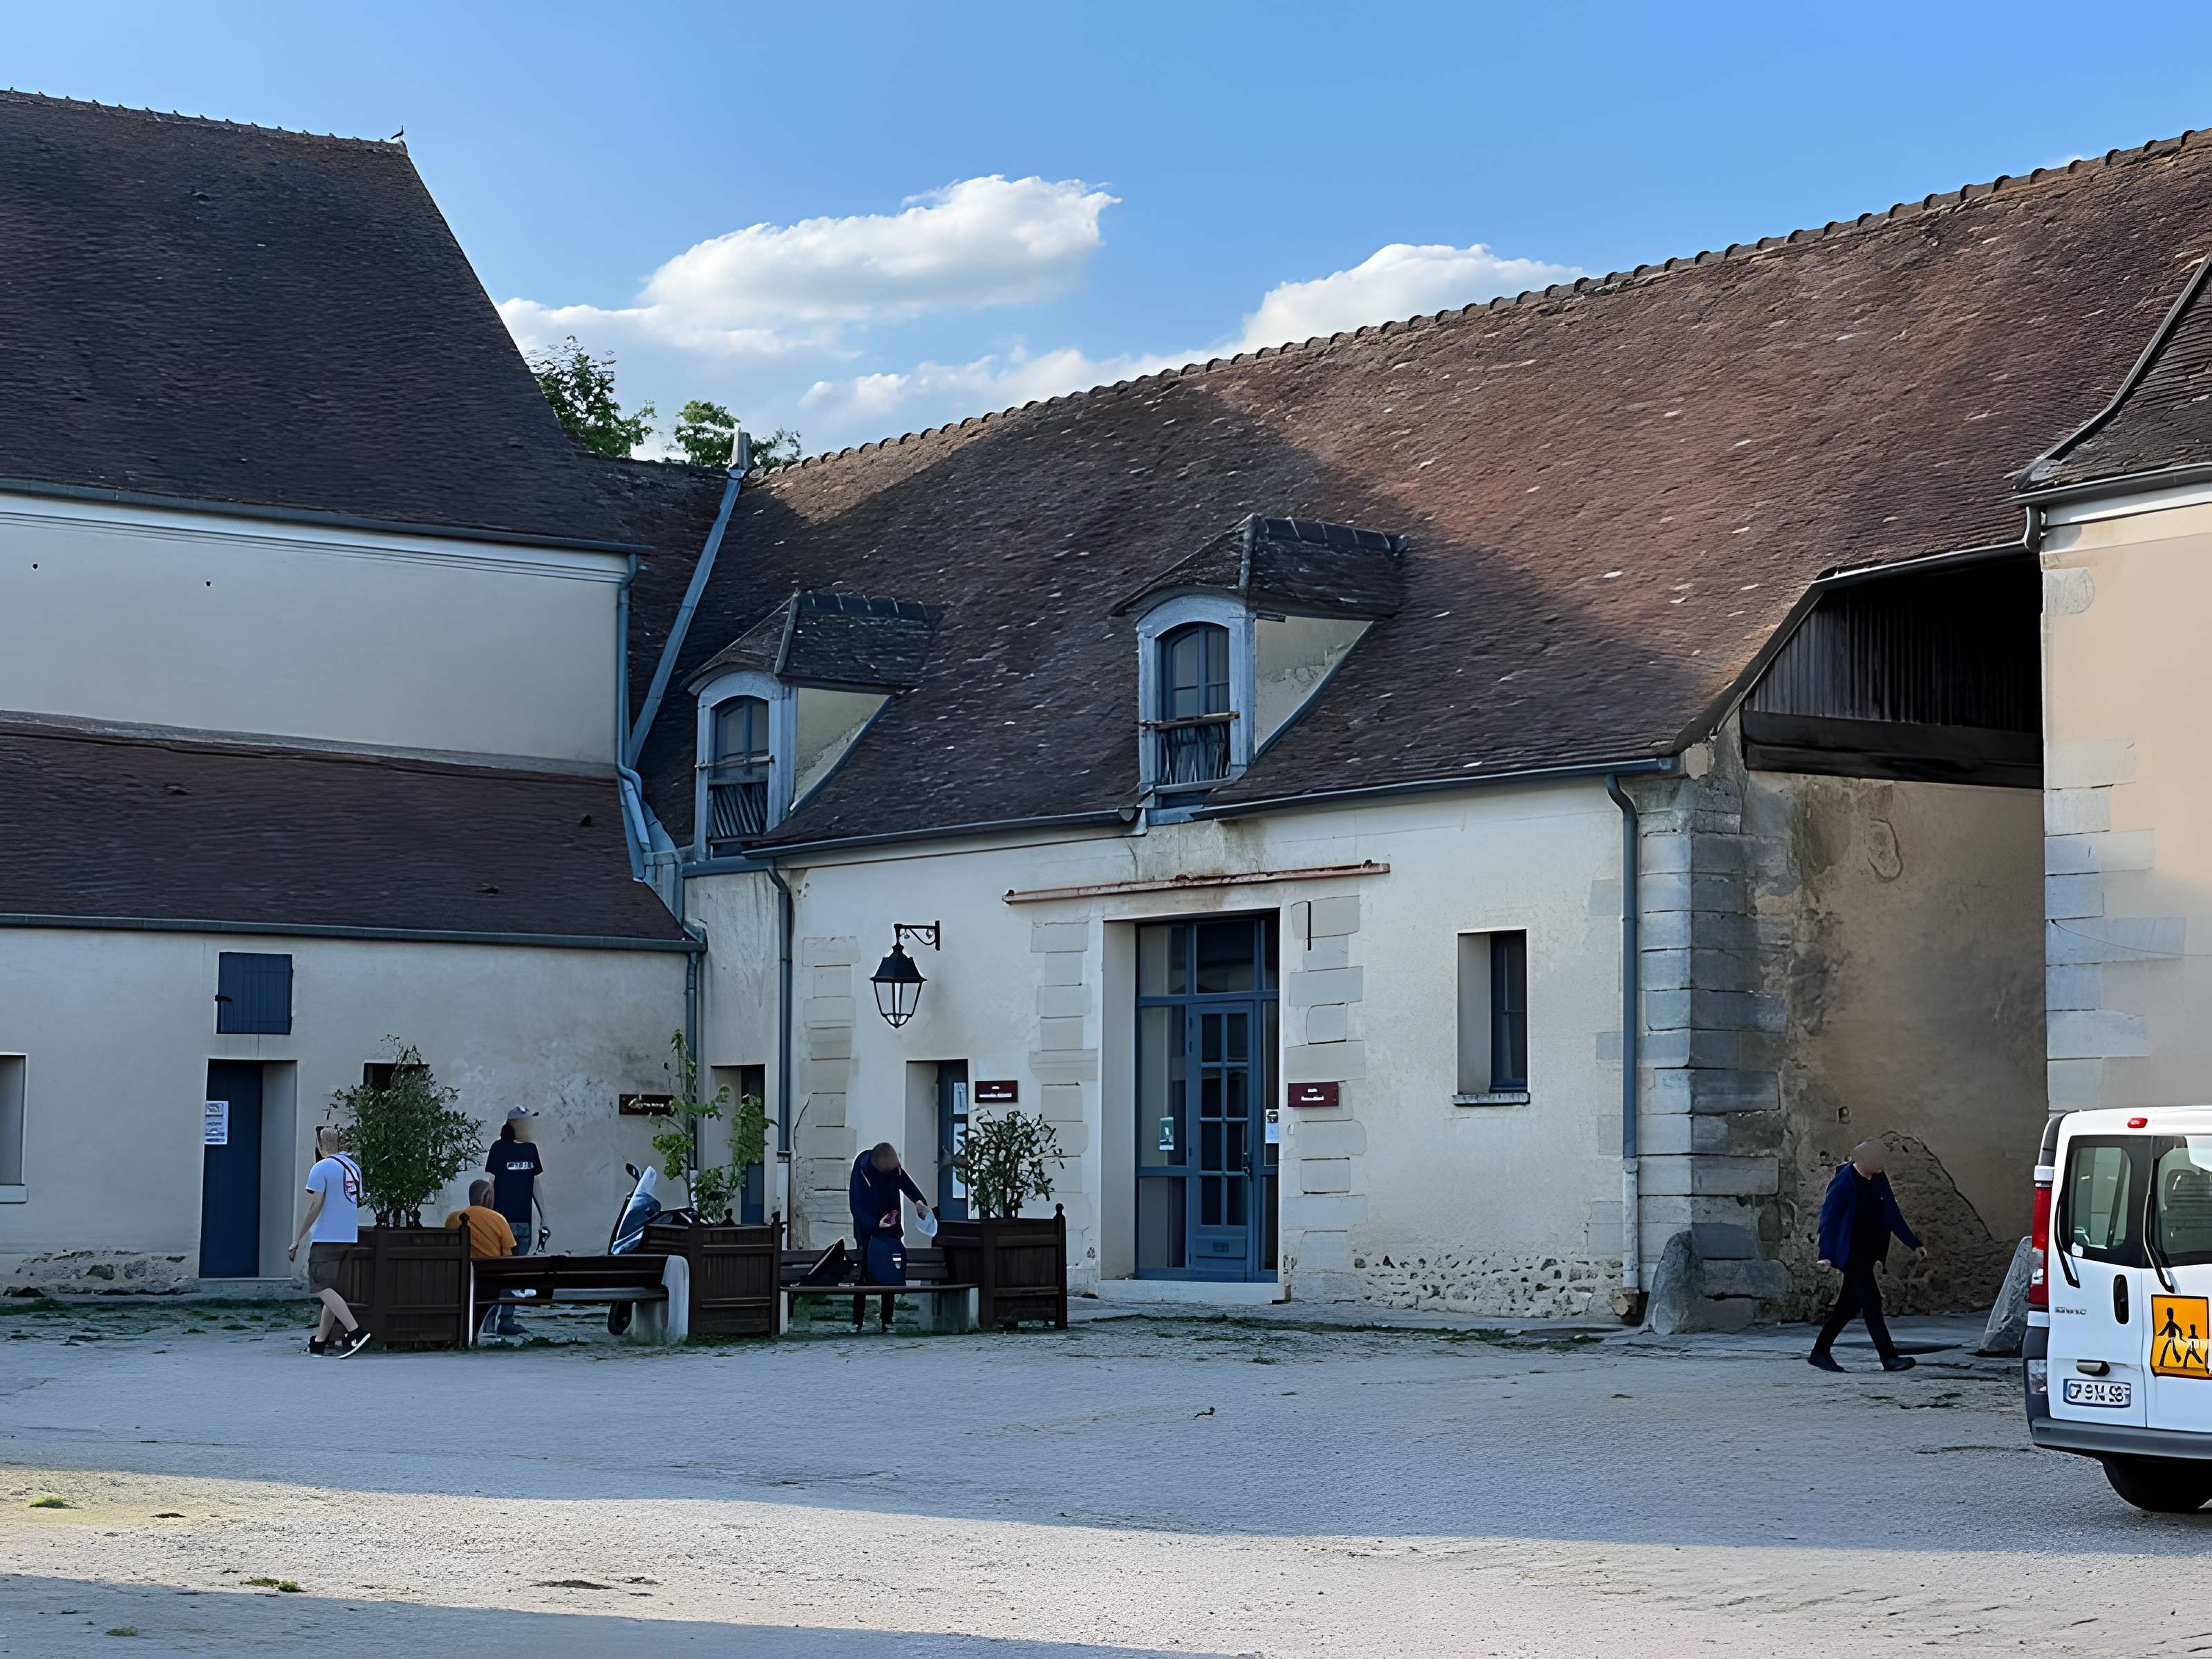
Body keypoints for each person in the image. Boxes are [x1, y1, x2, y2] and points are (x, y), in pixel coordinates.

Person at [1809, 1139, 1928, 1374]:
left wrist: (1913, 1243)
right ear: (1864, 1161)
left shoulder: (1879, 1178)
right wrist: (1826, 1254)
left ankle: (1819, 1352)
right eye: (1878, 1159)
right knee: (1872, 1301)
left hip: (1868, 1250)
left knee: (1849, 1306)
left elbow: (1892, 1212)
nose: (1883, 1164)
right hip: (1851, 1252)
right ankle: (1889, 1358)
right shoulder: (1844, 1181)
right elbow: (1829, 1219)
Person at [287, 1125, 371, 1358]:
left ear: (319, 1144)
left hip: (327, 1237)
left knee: (320, 1285)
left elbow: (316, 1205)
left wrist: (297, 1239)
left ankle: (355, 1332)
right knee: (330, 1291)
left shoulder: (321, 1167)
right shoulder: (353, 1168)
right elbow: (357, 1200)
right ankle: (320, 1342)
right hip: (349, 1236)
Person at [848, 1141, 932, 1333]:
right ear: (878, 1165)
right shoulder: (862, 1170)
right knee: (865, 1274)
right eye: (888, 1171)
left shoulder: (894, 1169)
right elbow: (856, 1207)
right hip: (868, 1231)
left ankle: (887, 1321)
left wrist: (919, 1202)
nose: (892, 1173)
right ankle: (857, 1322)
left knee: (891, 1272)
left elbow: (907, 1185)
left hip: (891, 1227)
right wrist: (874, 1224)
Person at [444, 1178, 516, 1338]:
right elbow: (507, 1255)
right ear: (488, 1198)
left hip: (460, 1277)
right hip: (489, 1278)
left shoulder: (452, 1218)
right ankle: (481, 1329)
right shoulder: (498, 1219)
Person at [487, 1107, 550, 1257]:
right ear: (512, 1125)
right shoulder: (498, 1148)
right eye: (524, 1123)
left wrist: (544, 1217)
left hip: (524, 1222)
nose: (529, 1127)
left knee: (519, 1263)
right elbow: (491, 1183)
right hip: (501, 1221)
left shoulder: (531, 1149)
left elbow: (534, 1183)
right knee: (504, 1263)